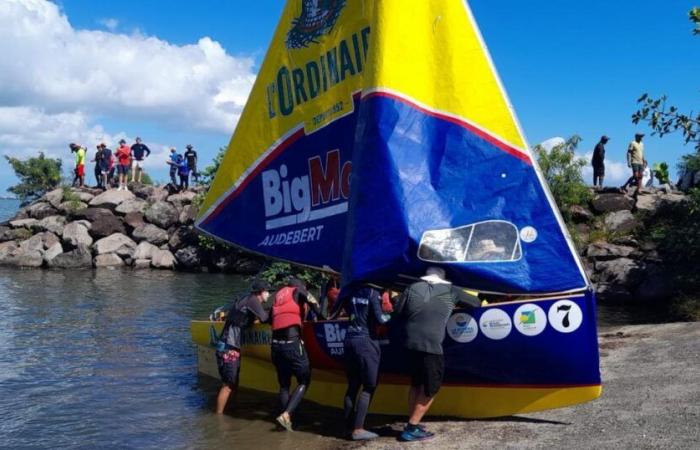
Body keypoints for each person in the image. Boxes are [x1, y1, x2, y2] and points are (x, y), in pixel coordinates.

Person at [393, 267, 480, 442]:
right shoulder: (451, 290)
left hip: (410, 343)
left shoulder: (412, 287)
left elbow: (397, 311)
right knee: (431, 388)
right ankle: (411, 428)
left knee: (416, 384)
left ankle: (413, 421)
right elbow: (475, 303)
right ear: (443, 278)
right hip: (431, 345)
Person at [330, 283, 392, 441]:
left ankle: (348, 428)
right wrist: (395, 315)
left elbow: (332, 314)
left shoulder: (348, 290)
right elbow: (381, 319)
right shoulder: (373, 292)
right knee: (369, 386)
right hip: (365, 341)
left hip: (349, 340)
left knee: (352, 385)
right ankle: (358, 429)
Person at [270, 277, 323, 431]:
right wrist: (322, 318)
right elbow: (315, 306)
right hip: (292, 345)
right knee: (304, 381)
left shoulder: (278, 296)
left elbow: (271, 319)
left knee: (284, 385)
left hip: (275, 347)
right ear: (301, 285)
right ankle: (287, 414)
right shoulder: (299, 290)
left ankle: (285, 421)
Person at [214, 280, 272, 414]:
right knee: (228, 385)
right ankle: (219, 417)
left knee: (234, 383)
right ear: (260, 292)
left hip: (230, 346)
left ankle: (230, 410)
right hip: (228, 347)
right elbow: (264, 318)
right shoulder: (253, 300)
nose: (269, 294)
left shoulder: (247, 299)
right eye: (267, 291)